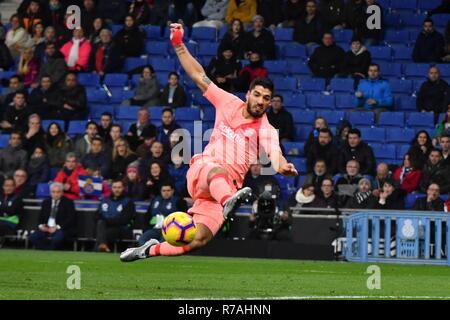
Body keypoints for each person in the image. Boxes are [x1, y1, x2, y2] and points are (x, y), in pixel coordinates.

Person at [120, 23, 298, 261]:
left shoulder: (266, 129)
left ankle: (148, 250)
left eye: (266, 99)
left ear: (269, 103)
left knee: (197, 240)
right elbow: (198, 75)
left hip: (225, 190)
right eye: (257, 95)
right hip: (204, 171)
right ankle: (228, 201)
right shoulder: (228, 102)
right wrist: (178, 44)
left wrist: (283, 166)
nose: (260, 101)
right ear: (248, 94)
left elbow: (275, 155)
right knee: (217, 171)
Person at [28, 182, 77, 250]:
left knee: (57, 239)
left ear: (62, 192)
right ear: (50, 193)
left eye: (58, 192)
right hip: (46, 229)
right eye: (53, 192)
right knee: (32, 237)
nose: (56, 194)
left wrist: (56, 227)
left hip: (61, 229)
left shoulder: (68, 203)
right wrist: (41, 226)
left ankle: (49, 250)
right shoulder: (46, 202)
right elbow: (40, 218)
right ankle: (48, 249)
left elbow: (70, 219)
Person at [95, 179, 135, 252]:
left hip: (121, 229)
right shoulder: (104, 201)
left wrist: (107, 221)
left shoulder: (128, 202)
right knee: (100, 223)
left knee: (103, 231)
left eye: (119, 187)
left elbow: (124, 220)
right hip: (104, 227)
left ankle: (101, 246)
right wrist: (105, 221)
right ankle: (103, 245)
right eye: (115, 187)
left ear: (123, 188)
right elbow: (96, 216)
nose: (117, 190)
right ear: (111, 188)